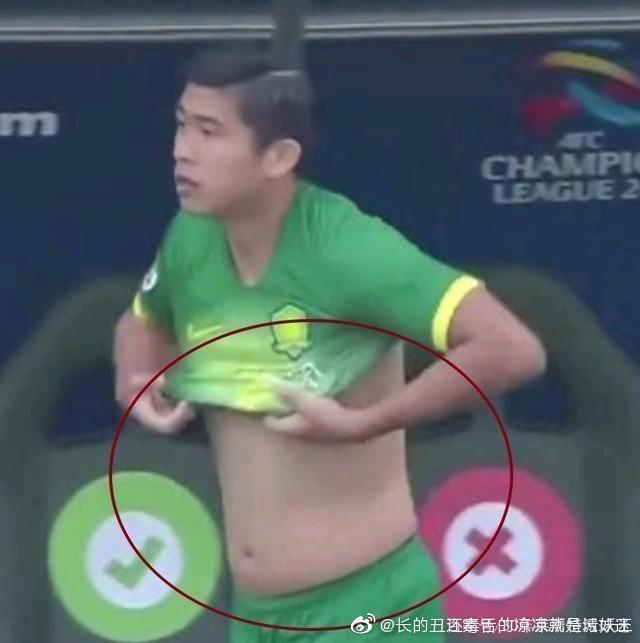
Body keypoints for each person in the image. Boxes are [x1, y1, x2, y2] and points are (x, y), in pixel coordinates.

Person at [113, 44, 547, 642]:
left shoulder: (348, 249)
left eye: (209, 132)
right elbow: (141, 320)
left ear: (279, 156)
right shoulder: (191, 237)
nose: (181, 150)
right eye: (182, 125)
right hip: (255, 615)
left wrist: (364, 422)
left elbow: (510, 348)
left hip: (366, 610)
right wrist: (135, 377)